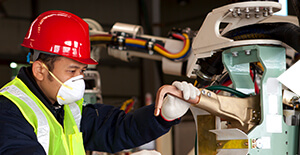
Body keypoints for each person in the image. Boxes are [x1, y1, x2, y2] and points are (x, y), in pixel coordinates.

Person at [0, 10, 200, 154]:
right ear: (40, 70)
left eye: (82, 71)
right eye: (72, 70)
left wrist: (162, 114)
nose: (79, 79)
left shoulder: (65, 108)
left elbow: (117, 129)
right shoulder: (8, 112)